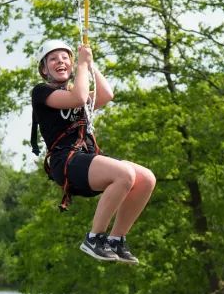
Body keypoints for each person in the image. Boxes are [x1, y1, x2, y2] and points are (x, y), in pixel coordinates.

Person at [30, 39, 156, 264]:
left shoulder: (76, 89)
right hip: (66, 162)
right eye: (53, 59)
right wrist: (81, 66)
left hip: (86, 159)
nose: (60, 61)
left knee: (146, 178)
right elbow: (77, 98)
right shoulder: (41, 92)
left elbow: (106, 94)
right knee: (124, 174)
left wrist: (89, 64)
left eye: (65, 57)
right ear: (44, 69)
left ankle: (116, 239)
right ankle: (93, 238)